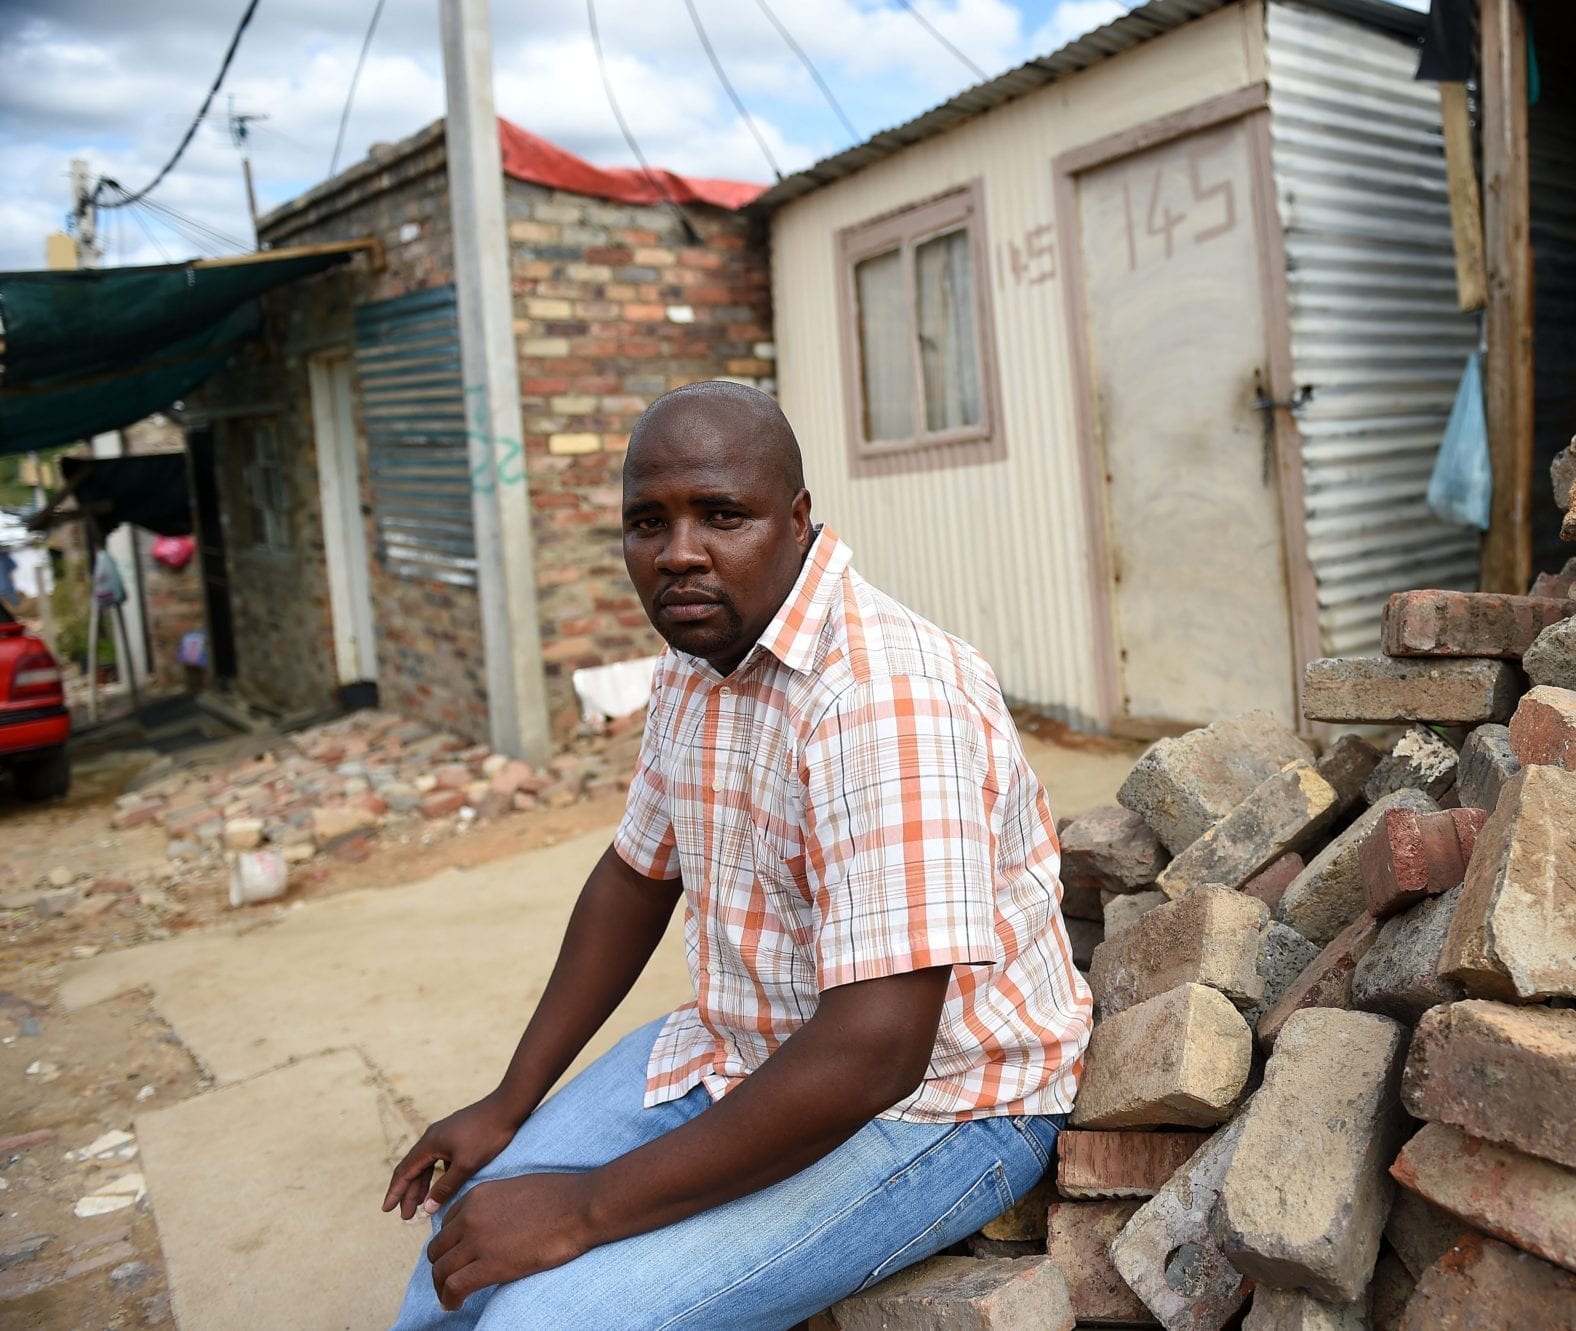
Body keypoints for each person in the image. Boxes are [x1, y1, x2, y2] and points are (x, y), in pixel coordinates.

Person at [384, 381, 1092, 1330]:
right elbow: (637, 876)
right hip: (749, 1046)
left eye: (722, 515)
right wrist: (510, 1100)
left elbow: (877, 1054)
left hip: (944, 1106)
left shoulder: (882, 699)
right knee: (456, 1260)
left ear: (797, 520)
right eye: (648, 522)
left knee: (539, 1317)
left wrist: (585, 1211)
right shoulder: (701, 650)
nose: (680, 553)